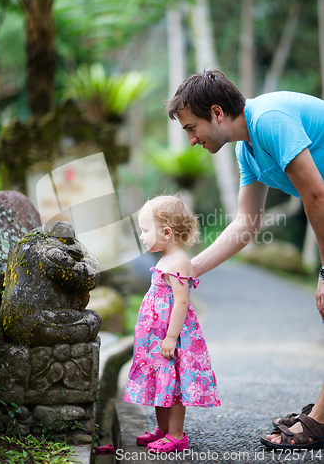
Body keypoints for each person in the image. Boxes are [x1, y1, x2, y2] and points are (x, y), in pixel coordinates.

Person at [166, 70, 324, 450]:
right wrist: (188, 269)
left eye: (192, 128)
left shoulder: (268, 119)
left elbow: (316, 195)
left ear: (217, 113)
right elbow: (246, 223)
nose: (191, 140)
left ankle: (320, 420)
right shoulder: (246, 148)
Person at [123, 195, 221, 454]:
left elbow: (181, 302)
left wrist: (170, 337)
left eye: (145, 231)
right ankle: (163, 429)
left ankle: (176, 434)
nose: (142, 237)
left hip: (170, 336)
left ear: (166, 232)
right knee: (160, 379)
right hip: (156, 336)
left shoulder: (178, 261)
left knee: (174, 382)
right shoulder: (166, 257)